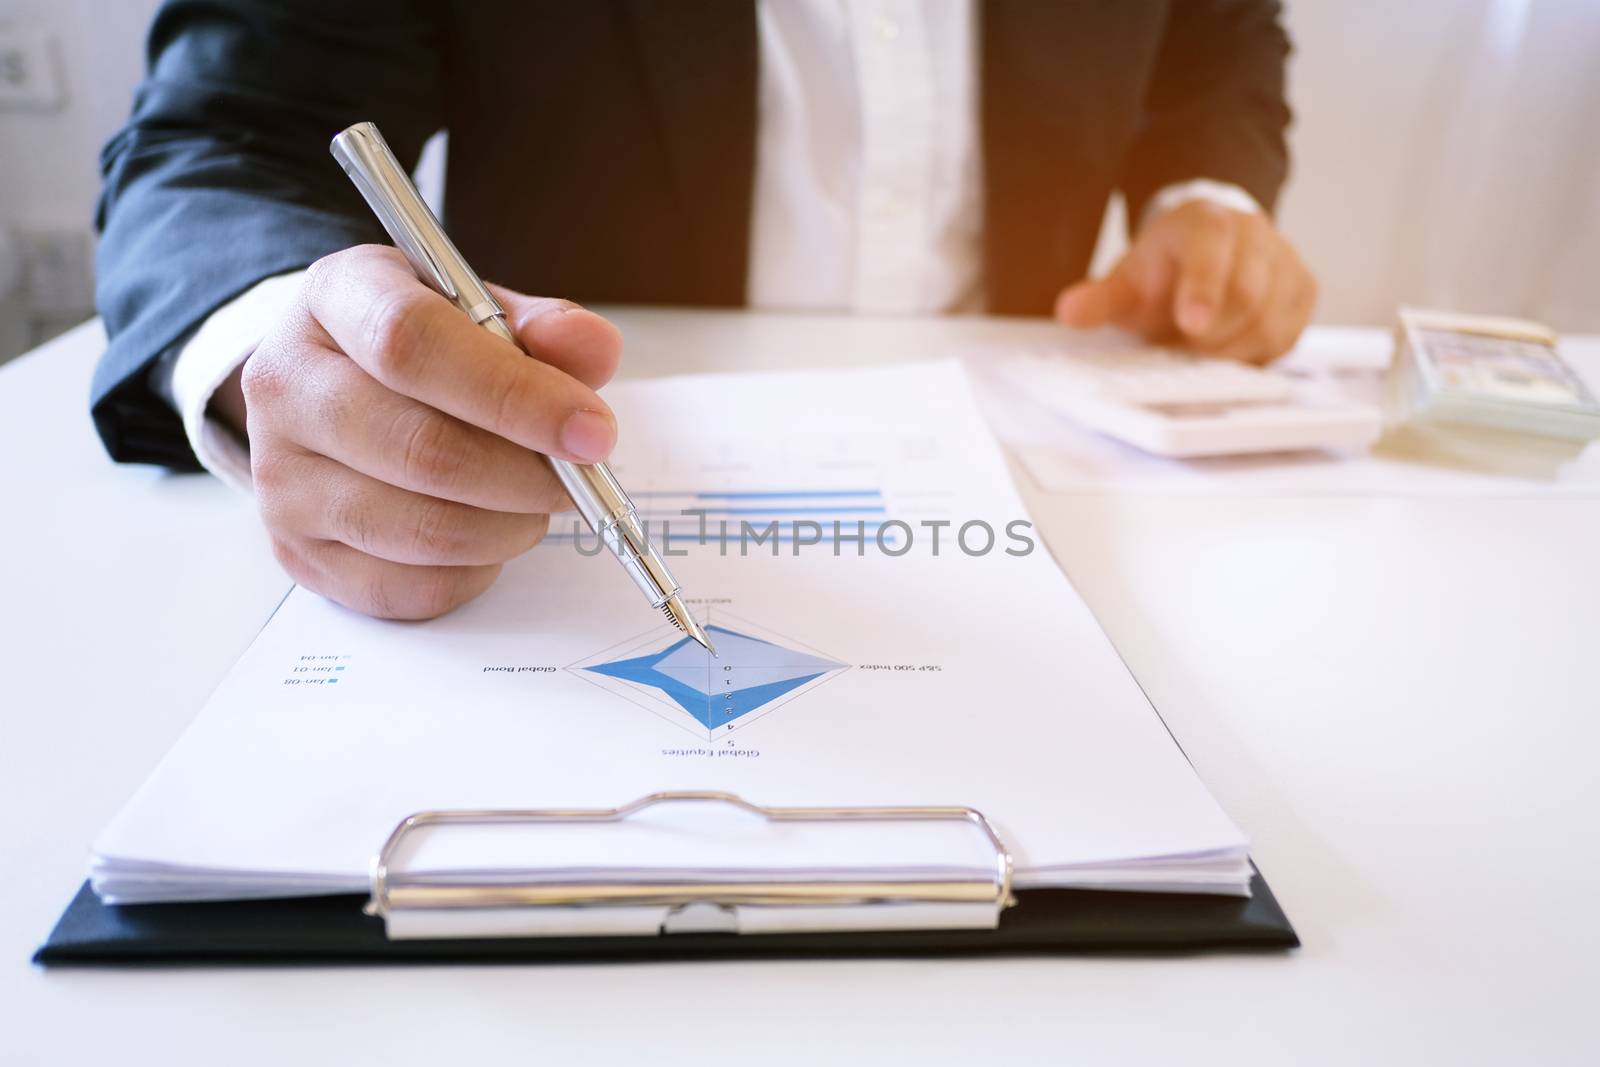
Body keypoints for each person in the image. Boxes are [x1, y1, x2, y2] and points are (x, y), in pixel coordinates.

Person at [91, 0, 1313, 620]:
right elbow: (220, 136)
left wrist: (1203, 195)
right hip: (546, 486)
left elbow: (1220, 39)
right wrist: (290, 346)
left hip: (1085, 489)